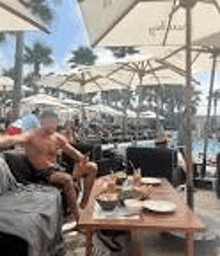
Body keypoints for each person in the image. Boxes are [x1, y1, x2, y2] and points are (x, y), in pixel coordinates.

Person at [0, 110, 97, 222]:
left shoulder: (57, 137)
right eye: (50, 122)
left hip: (58, 168)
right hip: (43, 173)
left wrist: (81, 159)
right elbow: (9, 139)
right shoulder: (31, 136)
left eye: (54, 122)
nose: (53, 125)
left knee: (92, 167)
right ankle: (78, 219)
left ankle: (83, 205)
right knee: (67, 179)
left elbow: (72, 152)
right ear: (42, 122)